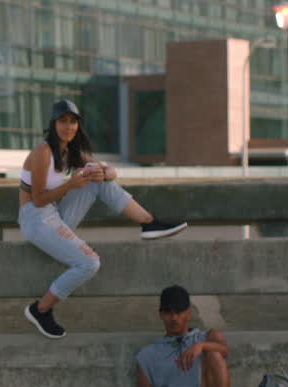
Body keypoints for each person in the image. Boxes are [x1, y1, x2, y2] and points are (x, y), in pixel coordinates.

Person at [19, 99, 186, 338]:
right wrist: (71, 184)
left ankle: (149, 223)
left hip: (53, 214)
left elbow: (112, 172)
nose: (68, 127)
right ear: (53, 124)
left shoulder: (71, 151)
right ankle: (40, 309)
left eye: (73, 122)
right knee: (89, 263)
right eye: (63, 121)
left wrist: (104, 172)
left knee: (97, 179)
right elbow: (37, 199)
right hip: (35, 219)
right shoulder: (42, 153)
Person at [87, 285, 233, 387]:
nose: (174, 318)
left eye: (179, 312)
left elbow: (224, 350)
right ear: (161, 315)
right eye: (168, 312)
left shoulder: (207, 337)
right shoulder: (149, 354)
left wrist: (200, 346)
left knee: (214, 354)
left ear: (188, 313)